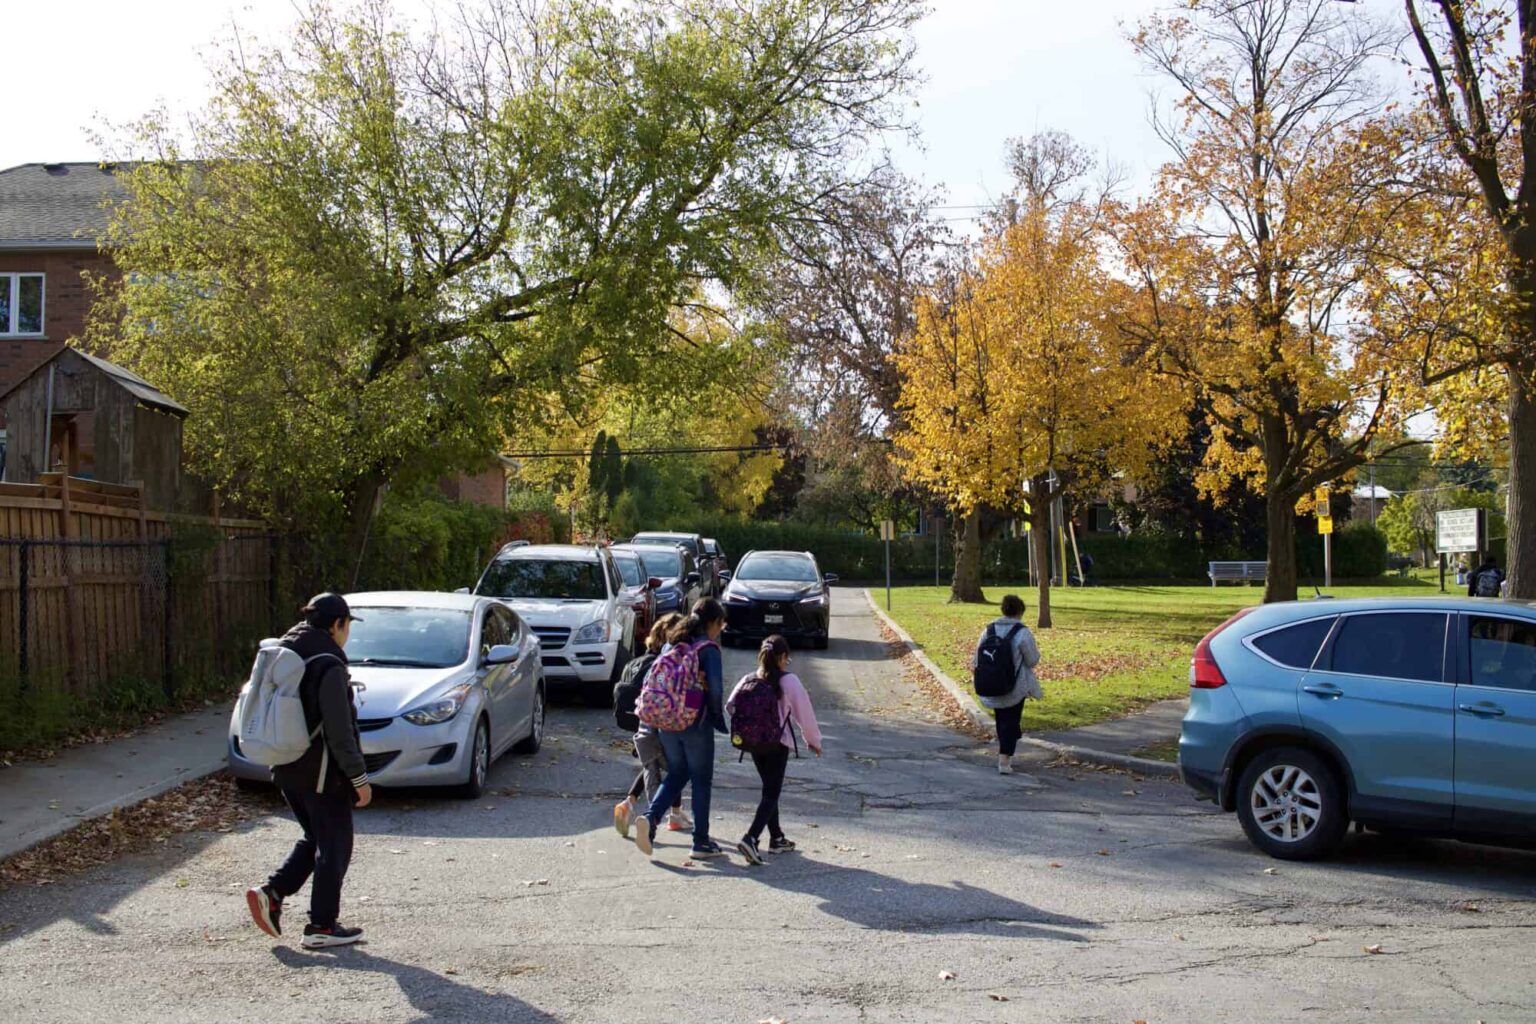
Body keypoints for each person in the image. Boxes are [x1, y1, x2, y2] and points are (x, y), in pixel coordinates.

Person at [246, 593, 372, 949]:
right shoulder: (329, 663)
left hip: (286, 764)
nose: (347, 633)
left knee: (317, 837)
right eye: (346, 625)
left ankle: (272, 893)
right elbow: (339, 729)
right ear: (337, 624)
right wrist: (359, 779)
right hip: (322, 773)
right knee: (336, 846)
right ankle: (322, 926)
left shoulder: (286, 651)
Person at [633, 597, 728, 860]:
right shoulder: (708, 649)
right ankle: (700, 842)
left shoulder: (671, 644)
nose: (721, 629)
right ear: (713, 623)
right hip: (694, 721)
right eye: (721, 624)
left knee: (678, 771)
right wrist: (718, 719)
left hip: (665, 721)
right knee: (701, 780)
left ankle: (650, 820)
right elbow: (716, 690)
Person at [729, 634, 823, 865]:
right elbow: (805, 714)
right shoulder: (789, 681)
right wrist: (813, 741)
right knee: (771, 793)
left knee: (769, 790)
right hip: (777, 744)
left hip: (753, 744)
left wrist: (751, 724)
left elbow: (730, 705)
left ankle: (777, 838)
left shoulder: (749, 678)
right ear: (782, 657)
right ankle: (751, 838)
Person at [612, 613, 690, 838]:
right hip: (658, 723)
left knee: (651, 765)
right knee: (675, 767)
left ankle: (631, 805)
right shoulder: (665, 663)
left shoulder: (636, 662)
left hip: (637, 721)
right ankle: (665, 815)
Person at [969, 594, 1042, 775]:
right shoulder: (1022, 632)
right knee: (1011, 720)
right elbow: (1032, 660)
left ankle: (1007, 745)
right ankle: (1004, 758)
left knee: (1002, 718)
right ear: (1020, 611)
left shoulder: (988, 630)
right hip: (1015, 686)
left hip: (992, 683)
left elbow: (976, 658)